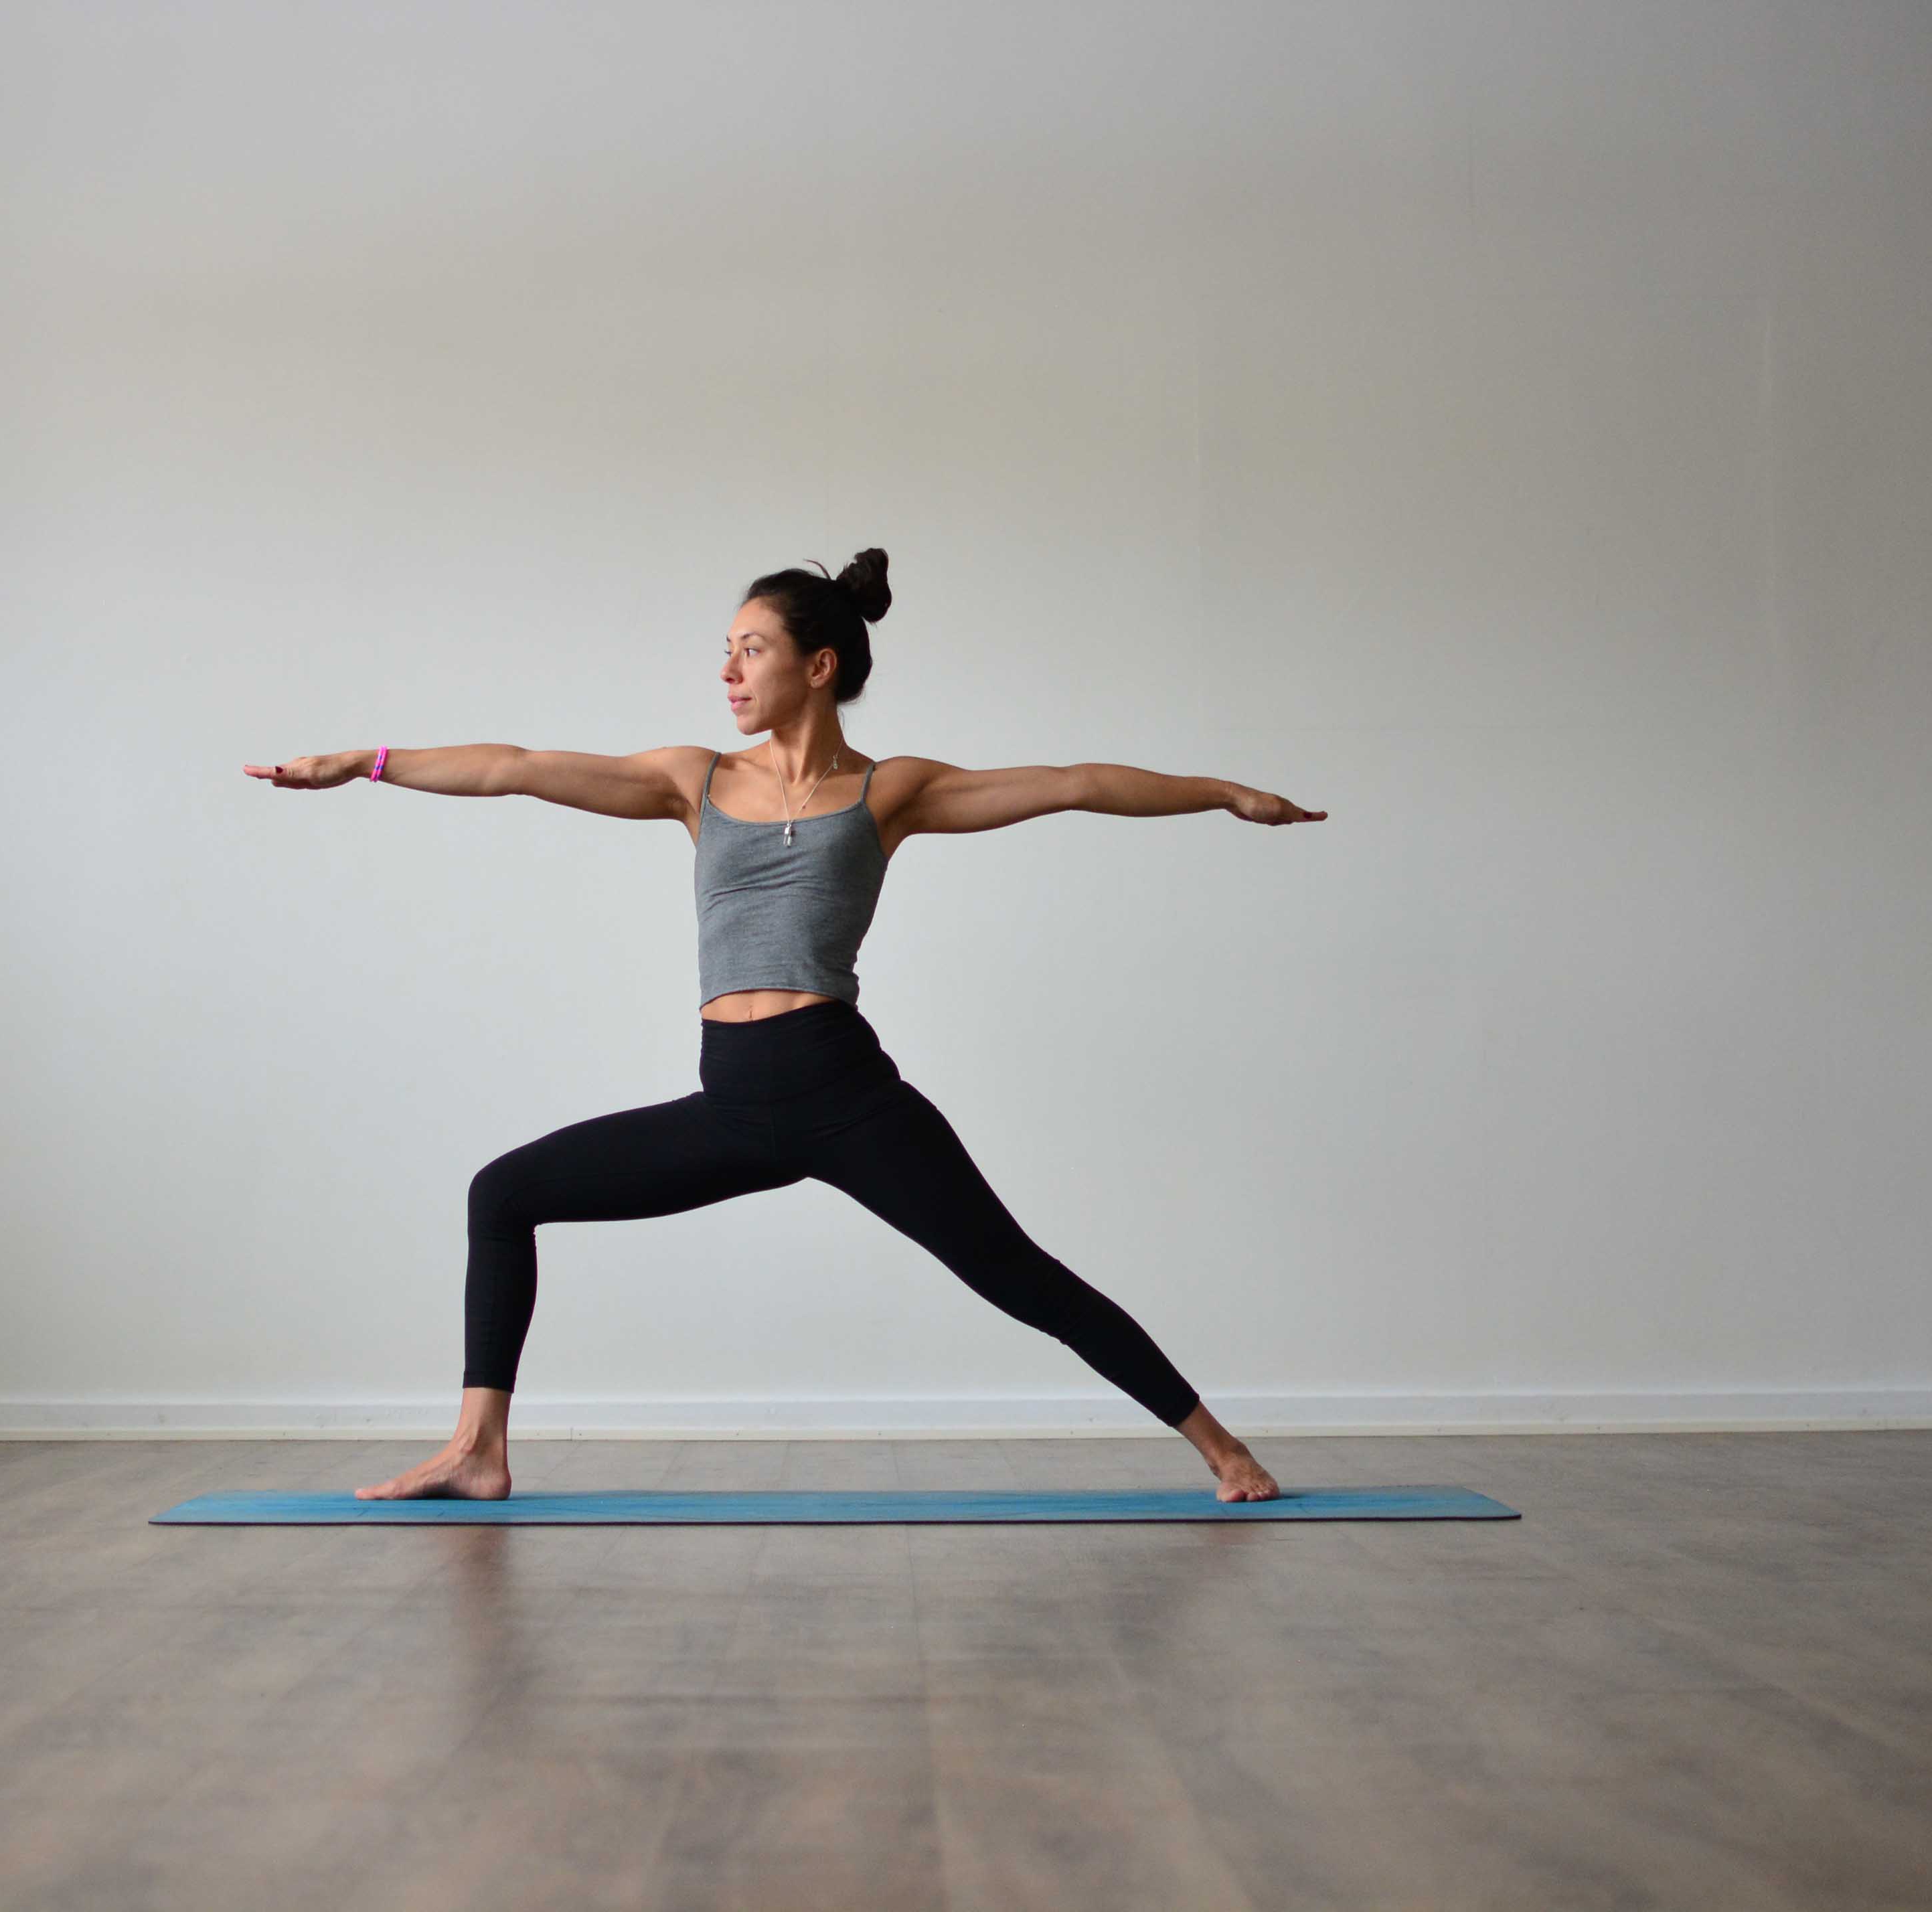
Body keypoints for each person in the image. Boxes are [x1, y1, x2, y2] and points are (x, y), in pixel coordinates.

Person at [241, 549, 1324, 1503]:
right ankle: (478, 1451)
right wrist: (363, 763)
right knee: (503, 1194)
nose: (727, 671)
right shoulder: (693, 783)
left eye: (749, 649)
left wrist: (1225, 792)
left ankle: (1223, 1449)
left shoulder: (889, 791)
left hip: (845, 1096)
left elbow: (1076, 784)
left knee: (1018, 1275)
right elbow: (516, 768)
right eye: (725, 649)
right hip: (732, 1103)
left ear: (818, 666)